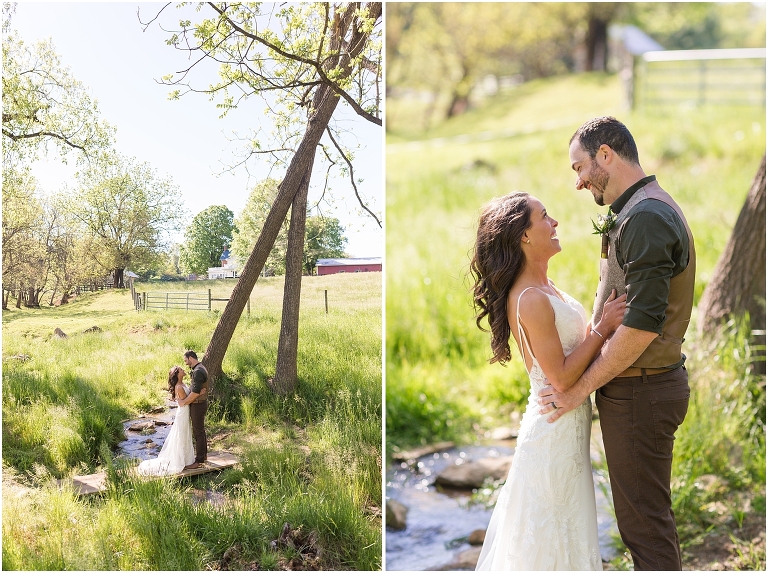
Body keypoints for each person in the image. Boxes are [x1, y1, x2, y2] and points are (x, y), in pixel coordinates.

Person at [538, 116, 695, 571]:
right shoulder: (637, 209)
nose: (579, 181)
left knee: (644, 528)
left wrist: (577, 388)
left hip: (642, 390)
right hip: (635, 388)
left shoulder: (646, 216)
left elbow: (642, 327)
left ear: (606, 153)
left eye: (579, 167)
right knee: (644, 523)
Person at [470, 191, 627, 570]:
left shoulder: (546, 287)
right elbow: (559, 376)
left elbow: (573, 343)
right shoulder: (530, 299)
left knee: (567, 537)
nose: (554, 223)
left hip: (566, 428)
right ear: (524, 235)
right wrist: (603, 329)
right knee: (548, 543)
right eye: (545, 216)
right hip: (553, 432)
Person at [137, 366, 195, 476]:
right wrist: (198, 394)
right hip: (183, 412)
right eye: (181, 370)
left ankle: (187, 460)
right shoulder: (179, 387)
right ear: (177, 374)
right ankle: (181, 461)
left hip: (185, 412)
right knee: (182, 435)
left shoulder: (182, 384)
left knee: (185, 434)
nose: (184, 371)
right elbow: (185, 402)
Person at [180, 350, 209, 469]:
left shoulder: (198, 371)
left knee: (198, 432)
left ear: (191, 358)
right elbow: (197, 390)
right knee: (200, 431)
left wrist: (184, 402)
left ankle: (199, 460)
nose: (186, 363)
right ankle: (204, 456)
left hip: (198, 405)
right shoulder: (201, 368)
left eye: (186, 360)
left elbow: (195, 392)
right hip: (199, 403)